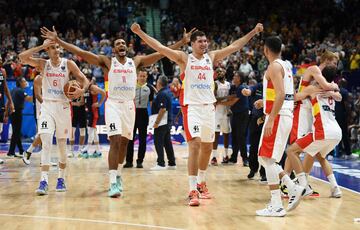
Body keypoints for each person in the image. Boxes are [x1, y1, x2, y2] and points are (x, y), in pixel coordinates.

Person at [41, 26, 195, 197]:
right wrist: (59, 40)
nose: (121, 45)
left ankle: (119, 174)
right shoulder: (107, 62)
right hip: (113, 104)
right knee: (114, 140)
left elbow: (161, 52)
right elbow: (81, 52)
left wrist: (181, 42)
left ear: (126, 48)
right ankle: (113, 181)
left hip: (129, 106)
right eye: (118, 44)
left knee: (124, 143)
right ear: (114, 49)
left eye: (123, 43)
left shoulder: (135, 62)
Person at [131, 22, 263, 206]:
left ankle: (201, 182)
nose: (204, 44)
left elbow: (235, 46)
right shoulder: (184, 58)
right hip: (192, 107)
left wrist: (253, 32)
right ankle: (192, 188)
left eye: (205, 41)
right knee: (195, 144)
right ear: (192, 44)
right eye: (200, 41)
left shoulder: (212, 56)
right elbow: (159, 47)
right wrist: (140, 33)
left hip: (209, 107)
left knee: (208, 148)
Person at [19, 39, 89, 195]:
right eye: (52, 48)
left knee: (63, 148)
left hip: (63, 107)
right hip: (48, 106)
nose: (56, 50)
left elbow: (84, 79)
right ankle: (43, 180)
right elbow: (22, 57)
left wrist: (82, 90)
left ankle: (61, 178)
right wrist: (41, 46)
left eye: (57, 47)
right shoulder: (43, 64)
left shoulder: (68, 63)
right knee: (46, 141)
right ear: (47, 50)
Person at [256, 36, 304, 217]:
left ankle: (276, 204)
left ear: (265, 50)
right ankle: (292, 188)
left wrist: (270, 118)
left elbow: (281, 94)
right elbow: (282, 93)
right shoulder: (286, 66)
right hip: (283, 115)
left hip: (278, 116)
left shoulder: (274, 66)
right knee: (265, 159)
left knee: (267, 159)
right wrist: (265, 102)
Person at [284, 50, 340, 196]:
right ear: (326, 61)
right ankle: (286, 184)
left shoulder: (322, 79)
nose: (335, 66)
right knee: (295, 147)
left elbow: (336, 92)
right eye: (334, 62)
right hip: (302, 110)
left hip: (312, 112)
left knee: (311, 150)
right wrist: (333, 88)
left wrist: (334, 91)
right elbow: (327, 86)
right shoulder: (315, 70)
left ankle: (302, 183)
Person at [124, 69, 156, 168]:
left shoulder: (150, 88)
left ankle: (140, 161)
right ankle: (129, 161)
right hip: (132, 113)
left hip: (143, 114)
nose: (142, 78)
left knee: (142, 139)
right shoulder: (131, 87)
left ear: (146, 77)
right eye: (140, 76)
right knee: (130, 138)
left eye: (144, 76)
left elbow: (151, 103)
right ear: (137, 76)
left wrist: (153, 117)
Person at [219, 71, 251, 166]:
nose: (233, 77)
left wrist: (219, 103)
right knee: (234, 136)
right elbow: (231, 97)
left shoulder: (242, 88)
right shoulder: (235, 87)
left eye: (236, 76)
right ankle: (234, 158)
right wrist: (220, 99)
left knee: (241, 137)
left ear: (240, 79)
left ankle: (245, 159)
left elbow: (232, 102)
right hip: (235, 114)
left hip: (243, 115)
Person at [151, 75, 176, 170]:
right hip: (167, 121)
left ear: (159, 83)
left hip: (162, 122)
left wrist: (156, 122)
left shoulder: (162, 94)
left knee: (158, 142)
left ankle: (160, 163)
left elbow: (162, 109)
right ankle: (172, 162)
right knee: (167, 143)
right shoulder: (167, 92)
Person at [80, 71, 106, 158]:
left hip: (93, 113)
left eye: (87, 79)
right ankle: (98, 151)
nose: (85, 81)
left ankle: (86, 149)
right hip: (88, 112)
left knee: (90, 131)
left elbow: (103, 93)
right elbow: (83, 101)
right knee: (93, 132)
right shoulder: (85, 88)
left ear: (90, 80)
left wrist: (99, 103)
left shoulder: (93, 87)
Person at [7, 77, 32, 157]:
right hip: (17, 112)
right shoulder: (20, 91)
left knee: (16, 131)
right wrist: (37, 94)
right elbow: (28, 99)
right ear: (20, 83)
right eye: (24, 81)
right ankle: (11, 152)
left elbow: (8, 101)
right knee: (16, 132)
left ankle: (21, 150)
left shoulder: (13, 90)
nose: (26, 82)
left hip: (12, 112)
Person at [211, 67, 231, 166]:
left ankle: (226, 155)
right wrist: (226, 98)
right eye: (217, 71)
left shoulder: (228, 84)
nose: (219, 72)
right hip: (217, 112)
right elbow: (214, 99)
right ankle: (214, 157)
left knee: (226, 134)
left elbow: (232, 99)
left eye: (221, 71)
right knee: (216, 134)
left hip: (226, 111)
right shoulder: (215, 83)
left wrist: (229, 105)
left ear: (224, 72)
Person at [0, 56, 15, 164]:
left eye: (1, 58)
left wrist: (10, 101)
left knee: (0, 129)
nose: (1, 60)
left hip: (0, 103)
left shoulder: (2, 71)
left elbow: (5, 87)